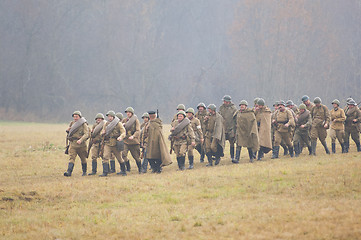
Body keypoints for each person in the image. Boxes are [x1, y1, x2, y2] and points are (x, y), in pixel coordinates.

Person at [100, 111, 126, 176]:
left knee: (119, 158)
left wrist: (120, 137)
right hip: (108, 143)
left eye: (111, 116)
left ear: (113, 117)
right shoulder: (106, 124)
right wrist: (102, 133)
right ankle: (105, 172)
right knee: (105, 157)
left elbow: (123, 132)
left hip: (115, 143)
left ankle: (123, 171)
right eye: (108, 116)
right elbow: (101, 133)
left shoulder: (118, 124)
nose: (109, 118)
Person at [64, 111, 90, 177]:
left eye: (76, 116)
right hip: (73, 144)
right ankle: (69, 172)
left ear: (80, 117)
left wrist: (81, 140)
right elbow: (69, 133)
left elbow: (86, 134)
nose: (75, 118)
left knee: (83, 158)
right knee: (71, 158)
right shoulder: (72, 123)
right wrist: (67, 131)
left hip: (81, 145)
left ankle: (84, 172)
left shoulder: (84, 124)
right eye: (74, 116)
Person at [122, 107, 142, 173]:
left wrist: (133, 136)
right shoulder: (124, 120)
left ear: (132, 113)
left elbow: (138, 131)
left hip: (134, 142)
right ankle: (127, 168)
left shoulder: (136, 120)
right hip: (126, 141)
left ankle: (140, 169)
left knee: (136, 157)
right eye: (127, 112)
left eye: (129, 112)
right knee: (123, 155)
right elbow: (120, 128)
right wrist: (122, 125)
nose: (128, 113)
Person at [219, 95, 237, 162]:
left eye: (225, 101)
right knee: (221, 143)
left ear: (228, 102)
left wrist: (234, 130)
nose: (224, 102)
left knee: (232, 143)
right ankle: (219, 156)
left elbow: (235, 119)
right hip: (223, 128)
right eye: (223, 101)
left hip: (231, 128)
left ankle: (232, 157)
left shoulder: (233, 108)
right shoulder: (221, 108)